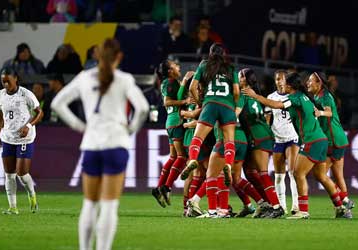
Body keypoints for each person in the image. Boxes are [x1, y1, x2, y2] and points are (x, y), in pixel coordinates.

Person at [51, 38, 149, 250]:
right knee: (109, 205)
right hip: (116, 145)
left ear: (97, 54)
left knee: (90, 203)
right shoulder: (124, 79)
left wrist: (79, 126)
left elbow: (57, 103)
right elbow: (142, 109)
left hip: (91, 145)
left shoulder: (84, 77)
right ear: (119, 57)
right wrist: (131, 128)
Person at [243, 72, 348, 219]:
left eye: (285, 83)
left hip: (311, 140)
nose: (282, 85)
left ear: (290, 86)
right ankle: (341, 207)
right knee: (321, 176)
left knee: (298, 174)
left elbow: (276, 105)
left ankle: (302, 211)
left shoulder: (295, 98)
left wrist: (255, 96)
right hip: (321, 140)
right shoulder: (305, 97)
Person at [181, 43, 240, 217]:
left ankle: (192, 160)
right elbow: (236, 91)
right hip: (227, 106)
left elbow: (192, 86)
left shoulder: (204, 65)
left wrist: (201, 101)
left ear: (210, 53)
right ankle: (228, 164)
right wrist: (232, 102)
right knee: (229, 141)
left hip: (210, 104)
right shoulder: (231, 68)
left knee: (197, 139)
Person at [0, 67, 43, 215]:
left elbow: (40, 112)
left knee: (22, 174)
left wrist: (28, 125)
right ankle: (13, 207)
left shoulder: (26, 94)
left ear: (16, 79)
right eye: (3, 81)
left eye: (8, 81)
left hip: (25, 139)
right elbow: (0, 115)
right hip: (8, 138)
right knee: (9, 174)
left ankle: (32, 194)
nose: (5, 84)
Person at [237, 68, 284, 218]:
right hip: (258, 136)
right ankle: (265, 203)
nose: (238, 79)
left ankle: (276, 206)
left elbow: (235, 114)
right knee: (250, 173)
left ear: (244, 79)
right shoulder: (254, 94)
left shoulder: (244, 94)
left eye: (239, 76)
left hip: (259, 136)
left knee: (262, 173)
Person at [306, 72, 354, 217]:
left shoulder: (324, 95)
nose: (307, 83)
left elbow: (329, 113)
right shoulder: (317, 96)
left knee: (320, 174)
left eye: (310, 81)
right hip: (339, 139)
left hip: (333, 140)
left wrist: (319, 113)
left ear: (319, 83)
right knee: (338, 175)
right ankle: (345, 207)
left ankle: (344, 202)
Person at [151, 60, 193, 207]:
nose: (178, 66)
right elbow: (167, 102)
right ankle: (167, 186)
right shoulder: (171, 82)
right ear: (170, 71)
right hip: (176, 121)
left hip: (170, 122)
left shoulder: (168, 82)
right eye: (174, 65)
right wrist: (185, 101)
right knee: (182, 157)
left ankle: (159, 187)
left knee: (174, 156)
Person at [264, 70, 299, 214]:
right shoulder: (271, 97)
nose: (279, 81)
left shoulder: (294, 96)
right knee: (279, 176)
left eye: (282, 79)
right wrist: (268, 133)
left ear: (287, 81)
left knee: (293, 173)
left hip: (292, 137)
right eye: (277, 79)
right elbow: (267, 118)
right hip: (277, 138)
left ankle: (296, 206)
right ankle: (282, 207)